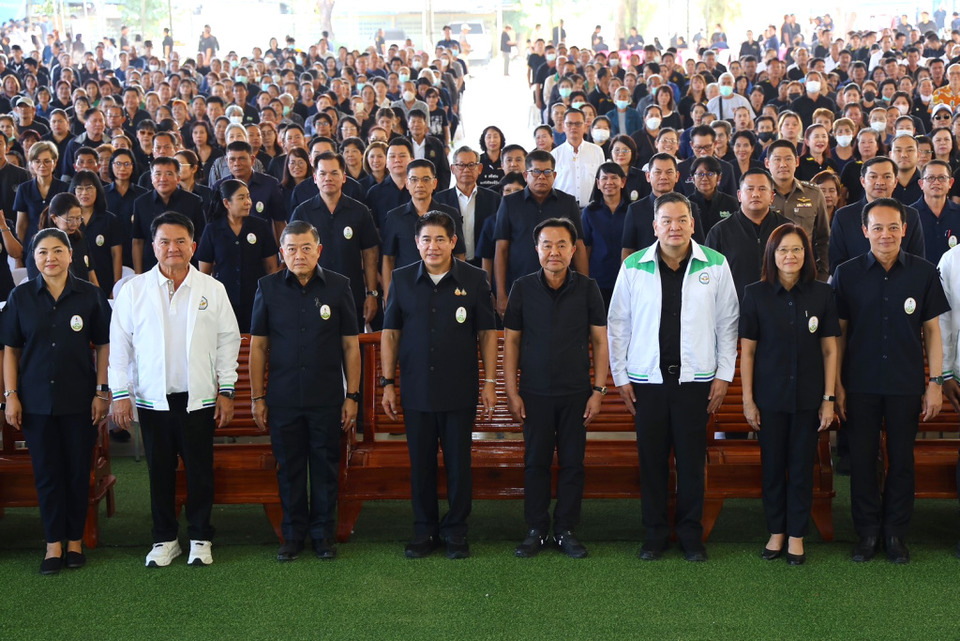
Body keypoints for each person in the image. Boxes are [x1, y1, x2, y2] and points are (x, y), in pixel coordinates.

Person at [608, 192, 739, 562]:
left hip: (696, 382)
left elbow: (728, 323)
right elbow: (618, 324)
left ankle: (690, 534)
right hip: (646, 382)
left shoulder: (715, 264)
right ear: (655, 226)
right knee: (651, 462)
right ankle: (654, 534)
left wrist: (724, 375)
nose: (674, 227)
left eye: (682, 220)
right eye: (666, 220)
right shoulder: (634, 266)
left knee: (691, 461)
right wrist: (620, 376)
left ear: (693, 224)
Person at [109, 212, 241, 568]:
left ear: (193, 246)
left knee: (200, 471)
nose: (173, 248)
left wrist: (227, 389)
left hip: (199, 398)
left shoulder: (212, 289)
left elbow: (229, 340)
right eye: (164, 241)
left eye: (181, 241)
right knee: (160, 472)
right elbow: (119, 347)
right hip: (153, 400)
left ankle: (200, 537)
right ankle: (165, 539)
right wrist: (120, 394)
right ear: (153, 247)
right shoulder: (133, 290)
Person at [834, 198, 949, 564]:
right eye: (878, 228)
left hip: (905, 382)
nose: (886, 234)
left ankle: (896, 533)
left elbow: (933, 331)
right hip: (860, 383)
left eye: (893, 227)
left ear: (905, 229)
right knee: (862, 460)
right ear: (864, 231)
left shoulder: (924, 272)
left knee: (901, 460)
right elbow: (839, 335)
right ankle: (867, 532)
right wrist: (836, 385)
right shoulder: (847, 273)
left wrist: (935, 382)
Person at [381, 211, 497, 560]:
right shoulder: (401, 279)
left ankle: (456, 530)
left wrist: (490, 382)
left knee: (459, 464)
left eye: (440, 239)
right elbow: (391, 334)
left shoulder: (475, 279)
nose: (433, 246)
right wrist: (388, 383)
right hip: (416, 389)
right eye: (426, 240)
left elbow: (487, 333)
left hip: (459, 389)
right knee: (421, 464)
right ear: (417, 243)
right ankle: (424, 530)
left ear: (453, 242)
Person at [249, 220, 361, 562]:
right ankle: (293, 536)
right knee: (289, 468)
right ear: (282, 252)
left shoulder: (339, 286)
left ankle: (323, 536)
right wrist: (257, 397)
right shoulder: (267, 288)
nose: (299, 255)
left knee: (325, 468)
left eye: (306, 248)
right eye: (292, 249)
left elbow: (351, 347)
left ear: (319, 251)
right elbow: (258, 347)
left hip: (326, 397)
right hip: (283, 399)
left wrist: (352, 396)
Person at [2, 227, 111, 575]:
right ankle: (53, 544)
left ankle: (75, 541)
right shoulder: (20, 297)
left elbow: (104, 345)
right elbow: (10, 350)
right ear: (33, 259)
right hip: (35, 403)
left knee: (77, 472)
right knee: (47, 474)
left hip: (80, 400)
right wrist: (10, 395)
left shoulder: (90, 295)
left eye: (57, 251)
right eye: (42, 252)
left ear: (70, 255)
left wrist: (101, 391)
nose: (50, 258)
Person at [503, 217, 608, 559]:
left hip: (576, 393)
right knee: (535, 463)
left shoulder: (588, 288)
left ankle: (565, 529)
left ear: (573, 250)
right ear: (536, 250)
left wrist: (598, 390)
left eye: (562, 245)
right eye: (547, 245)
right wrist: (512, 391)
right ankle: (536, 529)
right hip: (534, 393)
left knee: (573, 463)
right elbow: (512, 342)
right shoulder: (522, 288)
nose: (554, 252)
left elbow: (600, 341)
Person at [739, 224, 840, 566]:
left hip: (808, 399)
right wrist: (748, 400)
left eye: (797, 249)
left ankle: (797, 534)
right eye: (783, 250)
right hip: (769, 399)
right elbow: (748, 352)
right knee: (772, 468)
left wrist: (828, 399)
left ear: (806, 254)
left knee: (801, 468)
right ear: (772, 254)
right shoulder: (755, 294)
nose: (790, 256)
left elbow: (829, 350)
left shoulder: (822, 294)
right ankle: (776, 531)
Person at [291, 151, 381, 327]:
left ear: (344, 177)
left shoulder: (360, 211)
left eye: (334, 173)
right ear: (315, 178)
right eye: (322, 173)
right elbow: (292, 254)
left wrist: (372, 293)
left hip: (351, 294)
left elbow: (370, 253)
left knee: (353, 341)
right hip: (311, 293)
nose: (328, 178)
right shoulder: (302, 212)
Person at [493, 150, 588, 316]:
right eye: (536, 172)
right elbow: (501, 250)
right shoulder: (509, 203)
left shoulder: (567, 202)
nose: (542, 177)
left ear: (554, 175)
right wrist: (501, 294)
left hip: (562, 287)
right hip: (519, 286)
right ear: (525, 175)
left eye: (547, 172)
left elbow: (578, 247)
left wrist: (584, 288)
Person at [196, 179, 280, 332]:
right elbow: (204, 274)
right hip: (223, 299)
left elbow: (271, 267)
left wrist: (272, 296)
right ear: (226, 203)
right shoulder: (212, 230)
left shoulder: (260, 226)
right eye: (241, 198)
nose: (248, 202)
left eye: (248, 197)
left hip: (256, 297)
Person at [829, 157, 925, 276]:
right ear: (863, 181)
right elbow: (836, 262)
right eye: (873, 177)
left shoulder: (911, 215)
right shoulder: (844, 216)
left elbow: (917, 260)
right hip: (856, 283)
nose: (880, 182)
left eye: (887, 177)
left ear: (895, 182)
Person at [704, 169, 790, 300]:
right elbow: (708, 277)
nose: (756, 194)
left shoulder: (787, 229)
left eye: (762, 189)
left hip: (780, 304)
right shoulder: (720, 232)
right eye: (750, 189)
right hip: (734, 306)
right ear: (739, 195)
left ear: (772, 196)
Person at [766, 140, 831, 279]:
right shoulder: (760, 194)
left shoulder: (813, 193)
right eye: (777, 159)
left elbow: (824, 237)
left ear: (797, 161)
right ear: (767, 163)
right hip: (768, 271)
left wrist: (823, 272)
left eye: (788, 159)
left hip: (804, 271)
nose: (783, 164)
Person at [131, 156, 206, 273]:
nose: (163, 179)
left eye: (169, 174)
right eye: (158, 174)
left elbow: (201, 238)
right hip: (151, 268)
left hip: (187, 267)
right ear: (151, 178)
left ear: (178, 178)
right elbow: (138, 242)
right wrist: (138, 274)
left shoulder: (193, 202)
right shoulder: (141, 203)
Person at [435, 146, 502, 268]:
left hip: (485, 264)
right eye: (461, 165)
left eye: (471, 165)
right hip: (450, 264)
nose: (466, 170)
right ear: (453, 169)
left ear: (479, 168)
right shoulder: (440, 200)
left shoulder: (494, 199)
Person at [582, 162, 629, 307]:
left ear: (623, 182)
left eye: (614, 178)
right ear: (598, 183)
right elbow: (585, 248)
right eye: (604, 178)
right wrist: (585, 279)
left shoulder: (633, 210)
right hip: (598, 278)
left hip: (627, 278)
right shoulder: (589, 212)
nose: (609, 182)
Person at [551, 108, 605, 207]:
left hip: (591, 209)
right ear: (563, 126)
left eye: (578, 124)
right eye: (569, 124)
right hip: (563, 209)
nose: (573, 127)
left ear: (585, 126)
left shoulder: (597, 151)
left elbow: (602, 181)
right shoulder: (554, 154)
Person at [914, 160, 960, 265]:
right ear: (921, 183)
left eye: (942, 178)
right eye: (930, 178)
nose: (936, 182)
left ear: (950, 183)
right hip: (920, 273)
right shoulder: (909, 215)